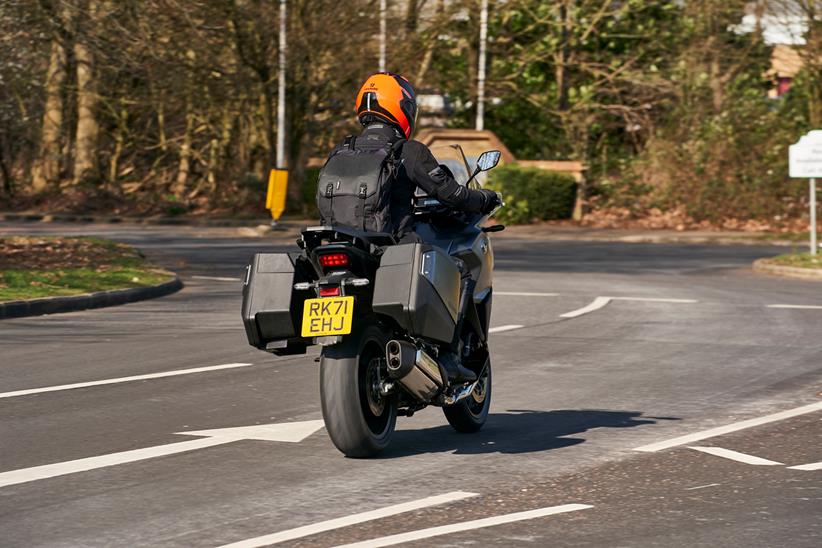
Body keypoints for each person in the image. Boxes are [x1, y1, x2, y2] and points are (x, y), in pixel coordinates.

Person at [323, 72, 501, 239]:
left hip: (338, 240)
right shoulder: (408, 150)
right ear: (403, 107)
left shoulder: (342, 149)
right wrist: (486, 198)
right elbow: (452, 194)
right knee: (443, 262)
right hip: (391, 245)